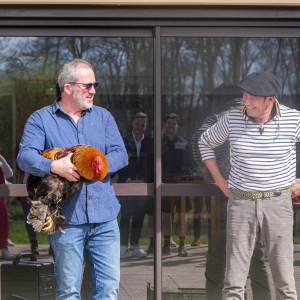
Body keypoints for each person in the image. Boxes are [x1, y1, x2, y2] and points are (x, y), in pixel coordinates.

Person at [17, 59, 128, 299]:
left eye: (95, 85)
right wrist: (54, 165)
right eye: (88, 85)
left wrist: (93, 167)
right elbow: (24, 157)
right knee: (68, 291)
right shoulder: (41, 119)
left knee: (108, 290)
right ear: (68, 87)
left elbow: (121, 154)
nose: (93, 90)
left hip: (105, 219)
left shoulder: (103, 117)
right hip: (67, 220)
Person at [198, 72, 299, 299]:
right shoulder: (232, 119)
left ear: (270, 99)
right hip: (241, 203)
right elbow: (204, 142)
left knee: (284, 282)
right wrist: (221, 182)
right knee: (234, 282)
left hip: (279, 204)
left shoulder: (293, 119)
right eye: (244, 95)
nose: (246, 101)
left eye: (252, 97)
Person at [192, 82, 271, 299]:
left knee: (218, 259)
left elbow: (197, 140)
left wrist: (211, 174)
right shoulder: (260, 117)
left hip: (224, 201)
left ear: (221, 99)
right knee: (255, 260)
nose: (212, 105)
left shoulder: (217, 118)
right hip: (256, 198)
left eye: (213, 100)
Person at [117, 112, 153, 258]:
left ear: (146, 125)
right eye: (137, 124)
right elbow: (118, 162)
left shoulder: (150, 142)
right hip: (126, 184)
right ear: (133, 123)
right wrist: (127, 180)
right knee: (125, 216)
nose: (139, 127)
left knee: (139, 217)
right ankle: (123, 247)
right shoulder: (123, 141)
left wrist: (144, 179)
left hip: (142, 186)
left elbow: (152, 165)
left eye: (142, 124)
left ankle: (135, 246)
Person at [161, 113, 194, 257]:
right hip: (165, 184)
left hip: (181, 185)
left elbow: (190, 164)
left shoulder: (184, 143)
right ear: (165, 124)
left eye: (174, 123)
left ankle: (182, 246)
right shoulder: (159, 142)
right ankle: (167, 245)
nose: (171, 126)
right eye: (169, 123)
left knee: (182, 216)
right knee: (166, 216)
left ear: (177, 125)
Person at [13, 142, 38, 255]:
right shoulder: (20, 145)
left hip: (42, 187)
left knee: (48, 216)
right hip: (25, 186)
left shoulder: (44, 142)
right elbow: (17, 163)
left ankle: (52, 244)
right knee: (29, 217)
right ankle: (34, 244)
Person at [0, 154, 14, 260]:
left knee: (3, 223)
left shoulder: (0, 164)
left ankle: (4, 249)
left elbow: (9, 174)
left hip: (1, 199)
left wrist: (2, 158)